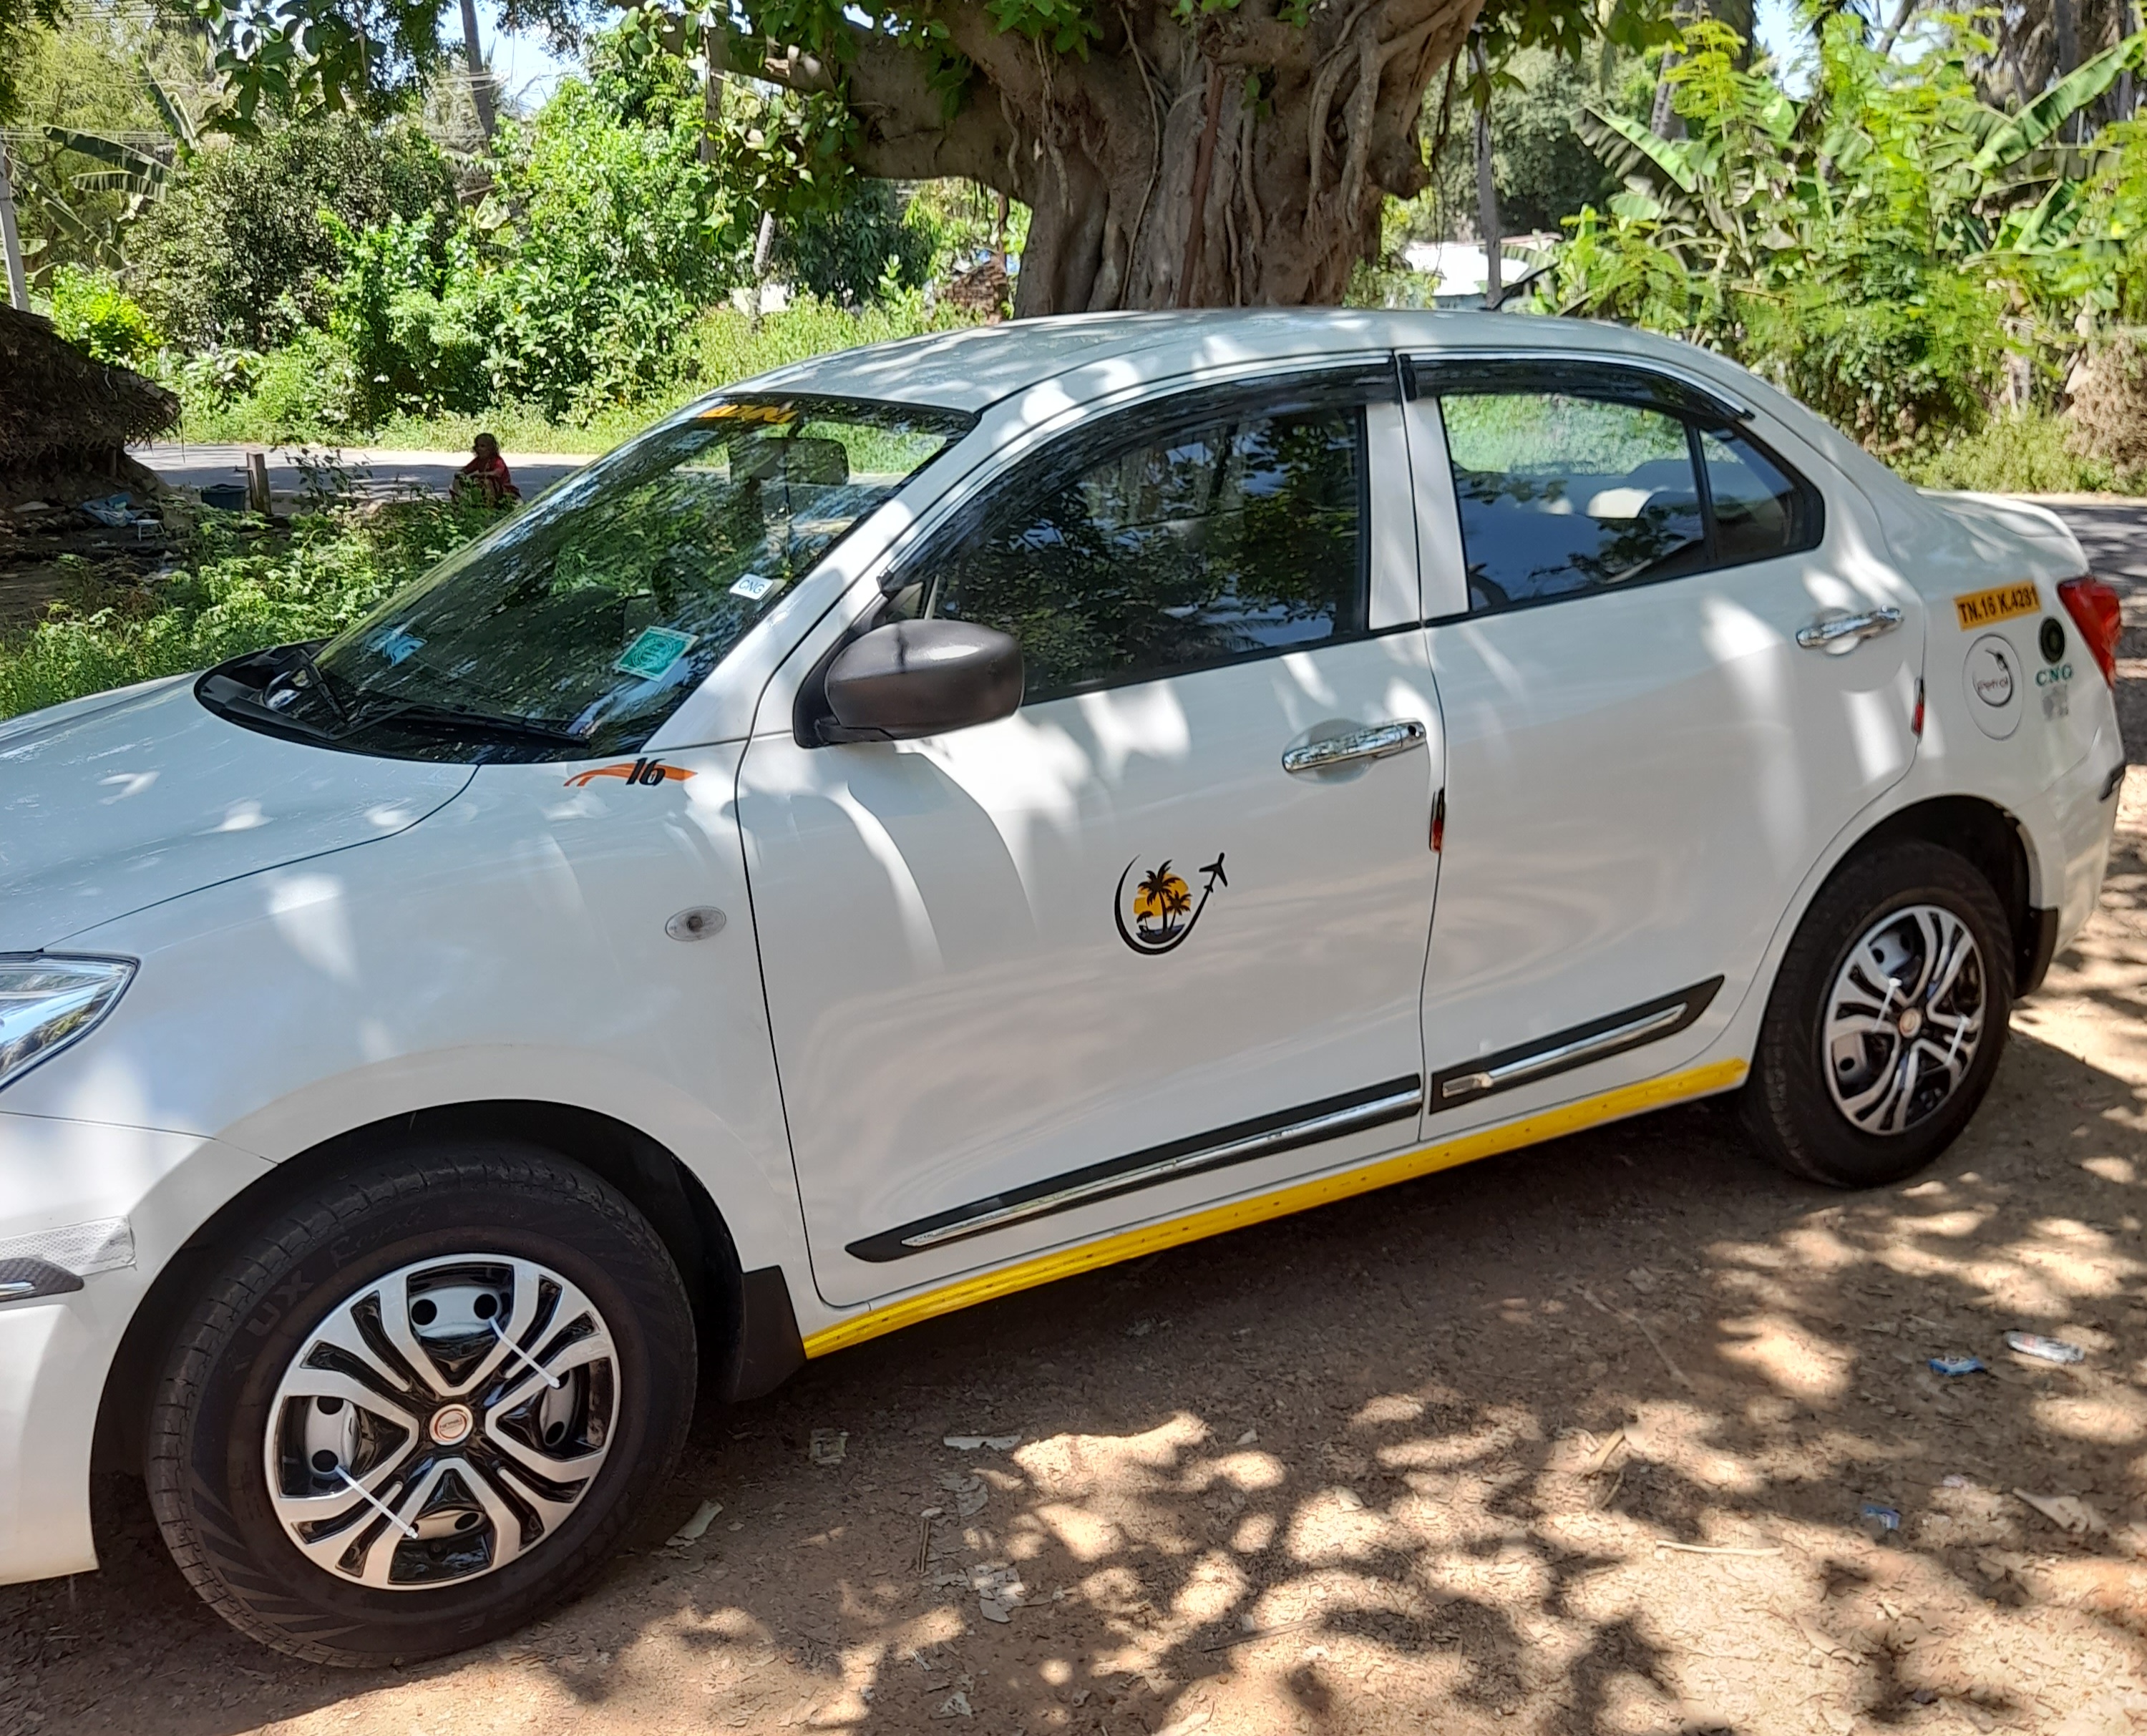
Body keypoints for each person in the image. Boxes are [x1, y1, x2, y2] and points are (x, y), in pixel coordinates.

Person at [452, 433, 521, 507]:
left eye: (482, 446)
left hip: (502, 490)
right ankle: (462, 502)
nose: (479, 449)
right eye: (477, 446)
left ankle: (490, 505)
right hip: (483, 487)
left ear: (491, 448)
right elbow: (466, 470)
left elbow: (497, 473)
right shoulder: (478, 461)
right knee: (457, 481)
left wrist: (480, 475)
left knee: (487, 481)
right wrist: (460, 474)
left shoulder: (497, 460)